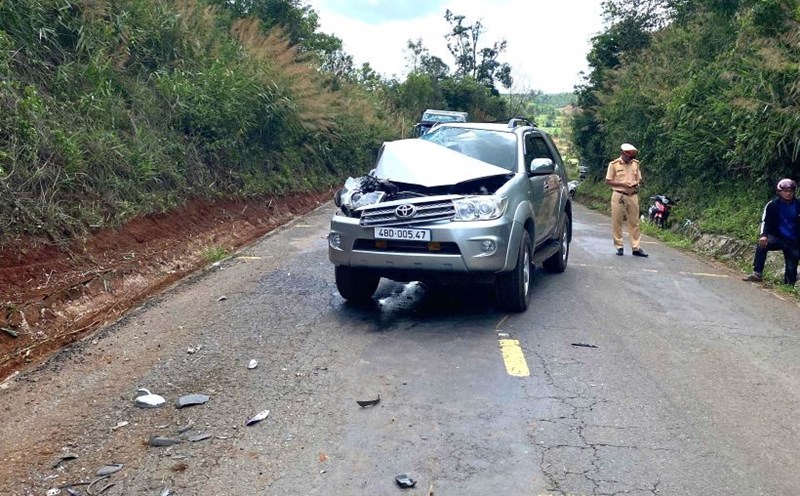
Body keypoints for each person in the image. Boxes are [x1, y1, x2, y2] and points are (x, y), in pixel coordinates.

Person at [743, 178, 800, 286]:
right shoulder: (772, 205)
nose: (788, 193)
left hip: (793, 242)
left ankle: (789, 284)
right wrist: (763, 235)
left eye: (791, 191)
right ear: (780, 191)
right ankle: (757, 273)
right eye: (786, 191)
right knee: (762, 244)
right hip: (778, 238)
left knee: (790, 277)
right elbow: (765, 222)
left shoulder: (798, 205)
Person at [605, 143, 648, 257]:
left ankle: (636, 247)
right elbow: (608, 180)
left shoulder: (635, 164)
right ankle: (619, 246)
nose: (630, 159)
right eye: (628, 157)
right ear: (623, 154)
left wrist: (635, 183)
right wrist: (622, 184)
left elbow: (639, 178)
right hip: (619, 195)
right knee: (617, 221)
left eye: (631, 157)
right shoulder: (614, 164)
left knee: (634, 222)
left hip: (632, 195)